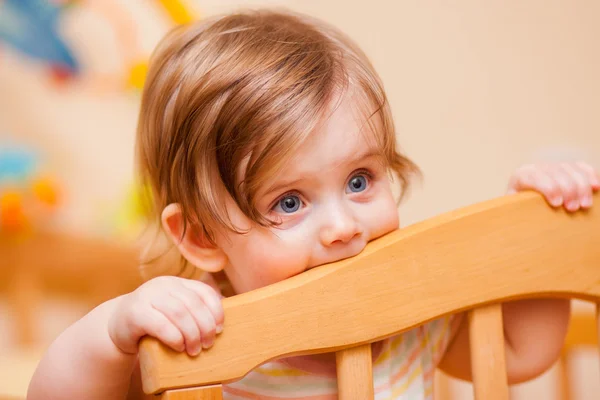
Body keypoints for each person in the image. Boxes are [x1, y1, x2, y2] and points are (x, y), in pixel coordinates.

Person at [28, 9, 600, 400]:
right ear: (202, 236)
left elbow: (521, 351)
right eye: (290, 201)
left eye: (359, 181)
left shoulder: (414, 314)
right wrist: (111, 332)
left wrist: (539, 224)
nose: (342, 227)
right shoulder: (201, 341)